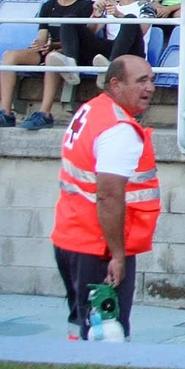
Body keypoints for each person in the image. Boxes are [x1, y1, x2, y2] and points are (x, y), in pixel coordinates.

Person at [48, 56, 158, 340]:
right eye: (141, 81)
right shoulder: (119, 129)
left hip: (70, 238)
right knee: (107, 329)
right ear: (116, 84)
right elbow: (109, 197)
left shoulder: (91, 109)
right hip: (99, 248)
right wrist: (118, 255)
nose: (150, 88)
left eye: (152, 80)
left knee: (80, 321)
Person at [0, 0, 96, 131]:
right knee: (9, 56)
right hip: (49, 48)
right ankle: (5, 112)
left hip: (70, 51)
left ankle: (45, 113)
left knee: (52, 58)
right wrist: (40, 43)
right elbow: (43, 32)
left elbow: (81, 37)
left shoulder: (84, 5)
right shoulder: (48, 6)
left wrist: (53, 46)